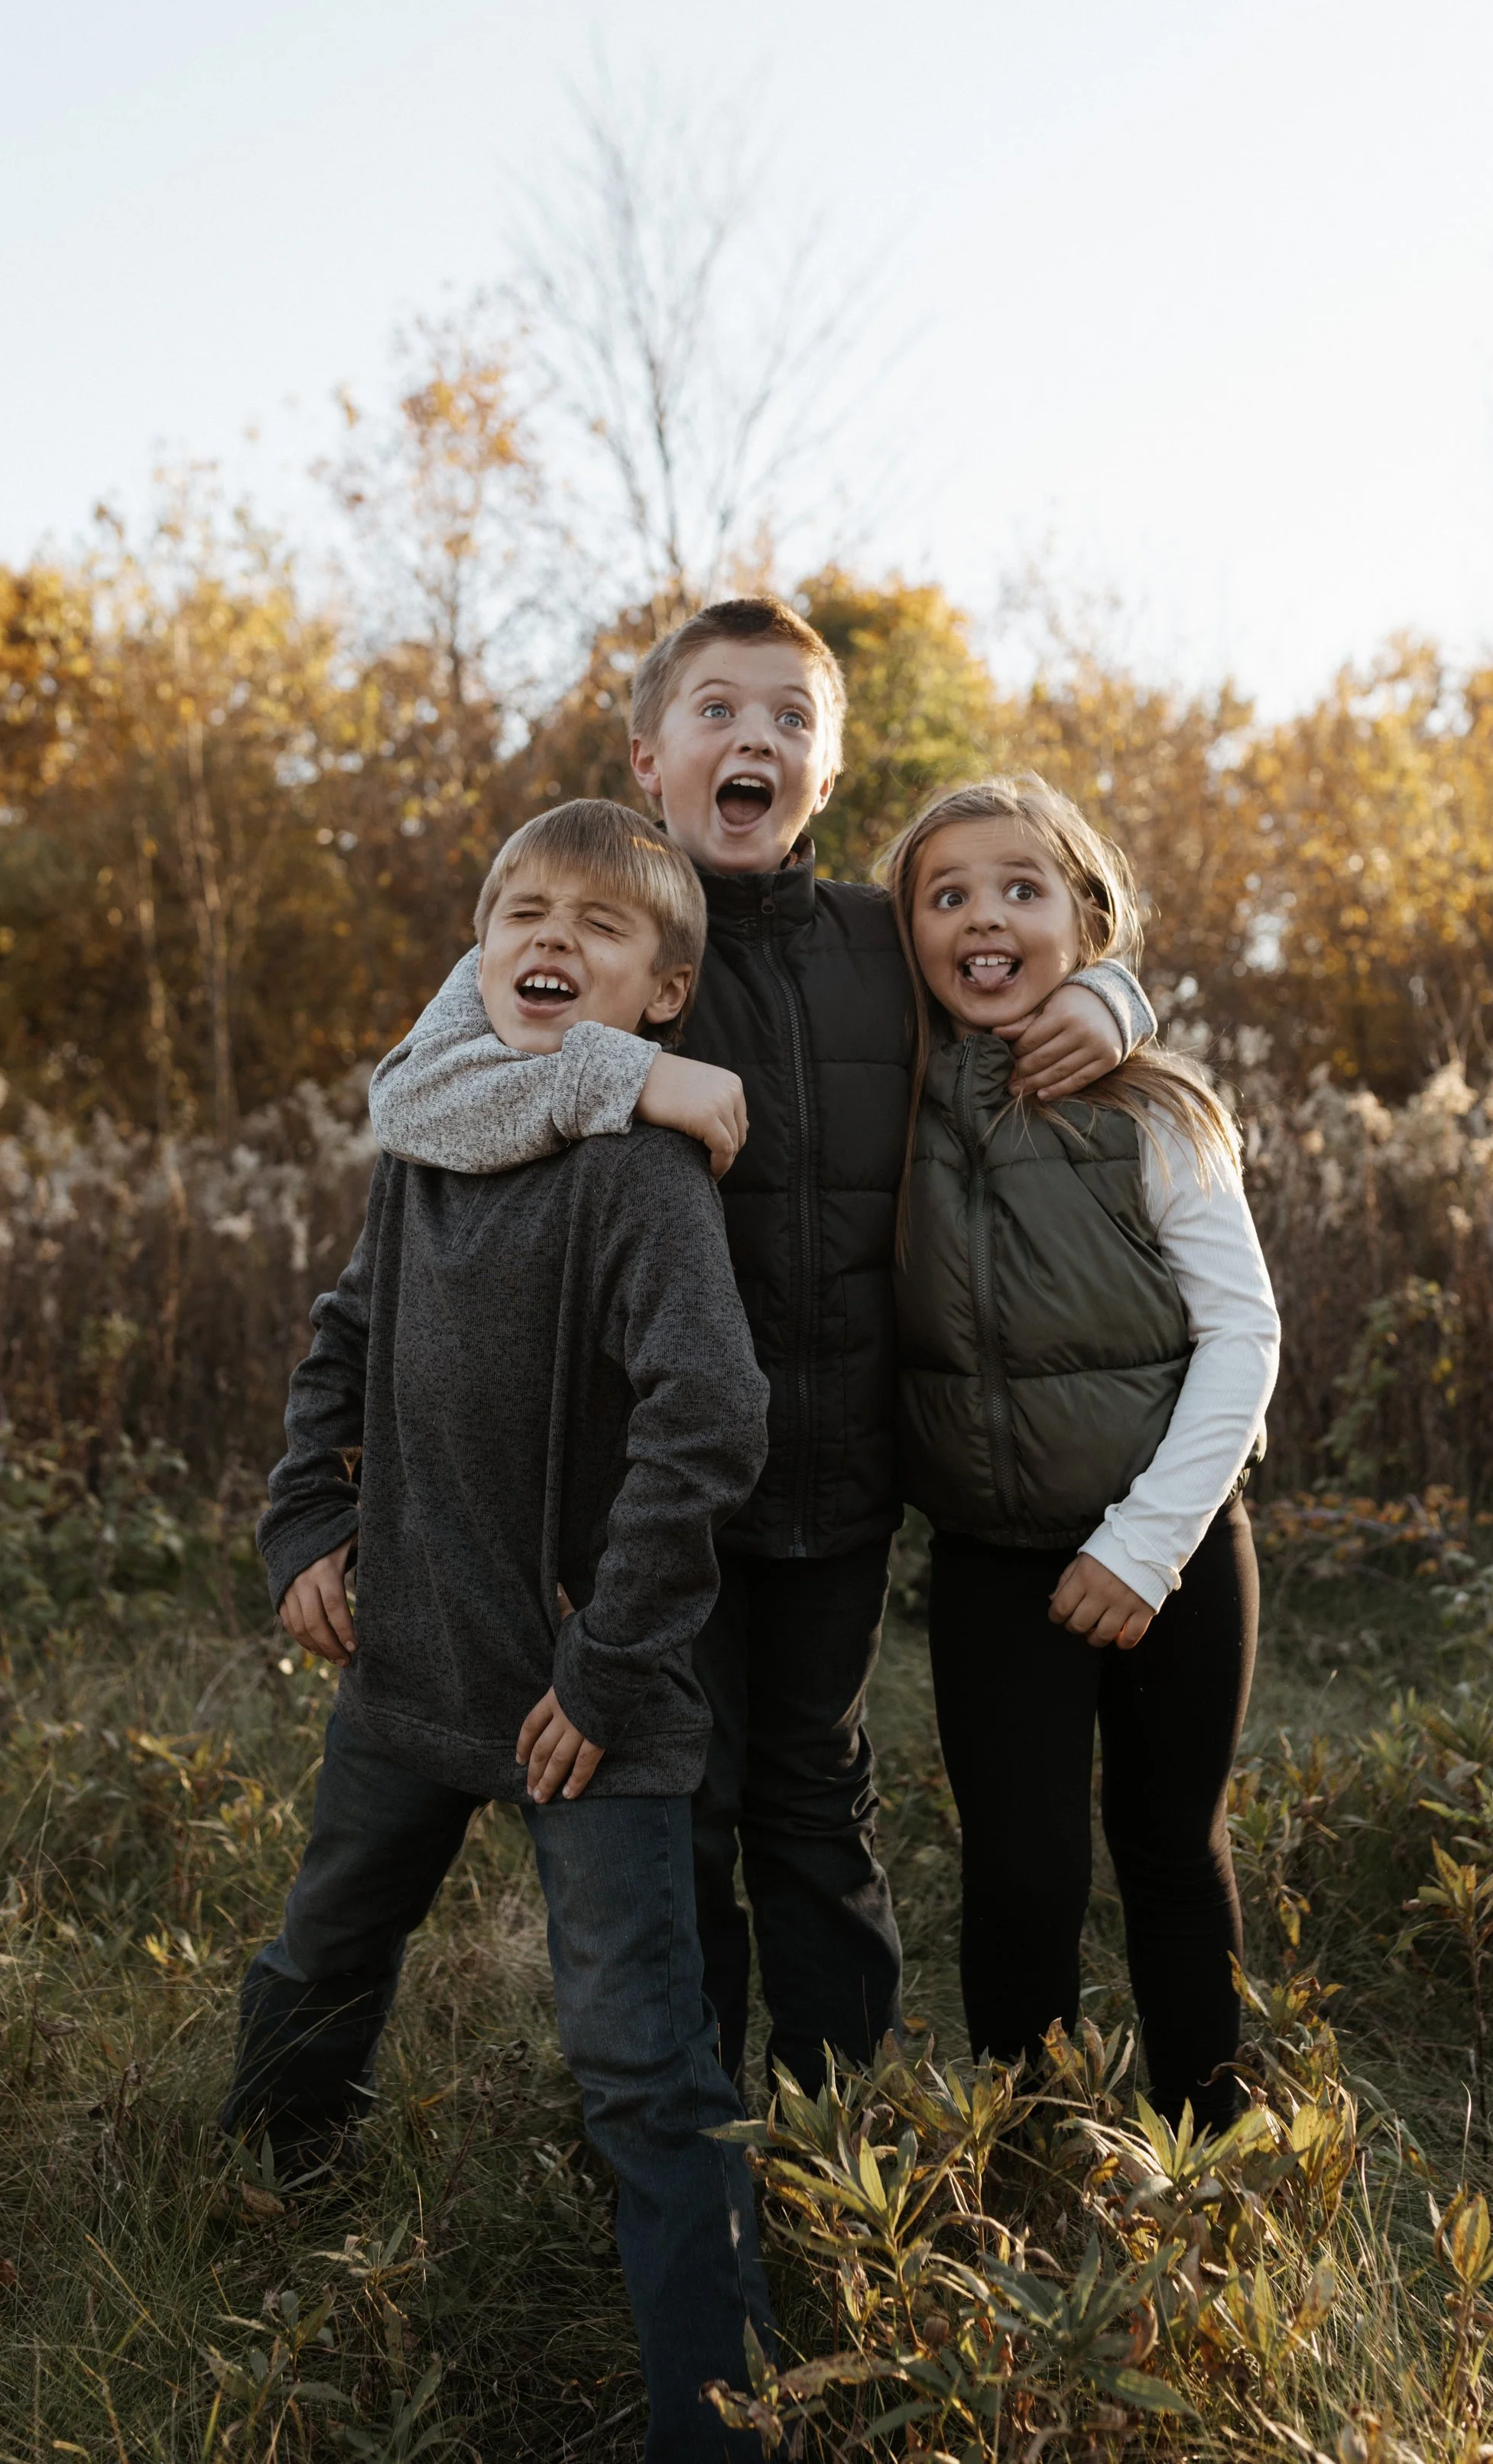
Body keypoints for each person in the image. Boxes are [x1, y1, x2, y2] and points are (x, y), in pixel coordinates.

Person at [366, 595, 1154, 2096]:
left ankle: (837, 2135)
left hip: (841, 1473)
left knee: (814, 1794)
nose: (755, 738)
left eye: (789, 718)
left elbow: (1024, 954)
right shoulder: (603, 930)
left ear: (827, 769)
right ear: (649, 756)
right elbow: (412, 1097)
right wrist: (623, 1073)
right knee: (683, 1803)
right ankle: (690, 2131)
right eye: (718, 709)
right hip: (650, 1491)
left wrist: (1110, 996)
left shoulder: (876, 939)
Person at [222, 800, 774, 2464]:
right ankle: (258, 2205)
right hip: (408, 1668)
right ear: (478, 950)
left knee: (641, 2067)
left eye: (601, 926)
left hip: (584, 1706)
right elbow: (343, 1333)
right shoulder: (432, 1148)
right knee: (326, 1951)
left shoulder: (638, 1176)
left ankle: (721, 2418)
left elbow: (711, 1419)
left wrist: (607, 1663)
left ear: (662, 994)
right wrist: (309, 1521)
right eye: (522, 910)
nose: (552, 937)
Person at [879, 775, 1281, 2131]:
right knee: (1021, 1875)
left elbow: (1244, 1340)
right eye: (947, 896)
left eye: (1021, 888)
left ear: (1087, 921)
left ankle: (1210, 2160)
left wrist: (1144, 1546)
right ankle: (1030, 2164)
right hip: (994, 1564)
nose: (984, 917)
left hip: (1173, 1550)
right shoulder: (896, 1105)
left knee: (1172, 1853)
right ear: (908, 935)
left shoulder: (1157, 1113)